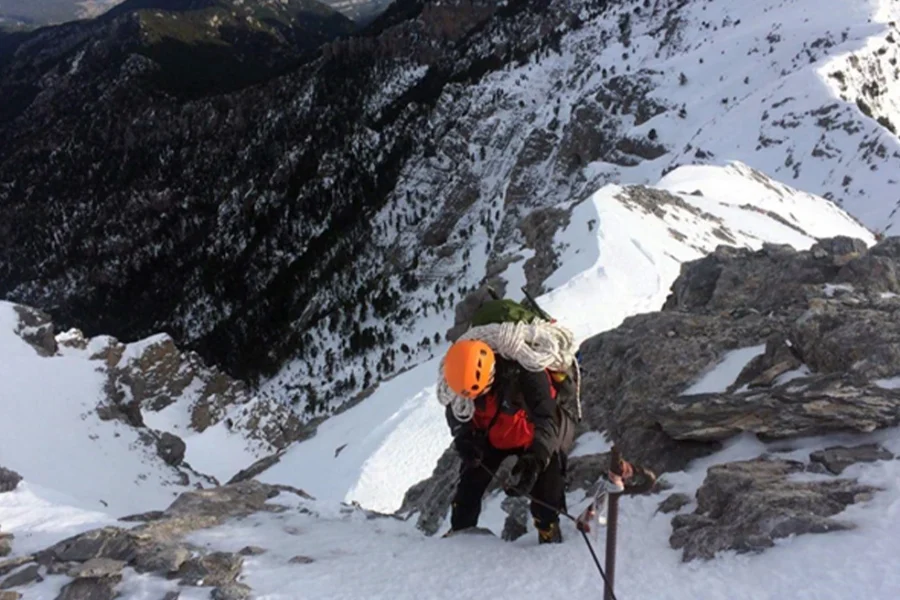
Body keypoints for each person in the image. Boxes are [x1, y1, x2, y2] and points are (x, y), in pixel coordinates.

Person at [442, 339, 575, 544]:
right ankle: (461, 532)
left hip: (531, 436)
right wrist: (463, 436)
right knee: (468, 487)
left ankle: (548, 528)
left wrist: (537, 458)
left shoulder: (527, 372)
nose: (473, 400)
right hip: (492, 435)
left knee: (547, 487)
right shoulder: (459, 379)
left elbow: (547, 419)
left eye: (479, 392)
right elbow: (455, 411)